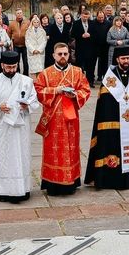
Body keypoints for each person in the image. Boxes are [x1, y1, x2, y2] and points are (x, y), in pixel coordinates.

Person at [84, 50, 129, 190]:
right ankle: (111, 178)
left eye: (128, 58)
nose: (126, 61)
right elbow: (105, 106)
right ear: (117, 59)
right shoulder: (110, 79)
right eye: (123, 58)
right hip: (114, 126)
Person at [0, 51, 38, 203]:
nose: (11, 70)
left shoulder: (26, 81)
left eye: (14, 66)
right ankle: (2, 190)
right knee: (3, 157)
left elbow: (34, 100)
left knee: (21, 155)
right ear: (2, 65)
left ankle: (21, 189)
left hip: (20, 127)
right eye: (8, 67)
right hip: (3, 125)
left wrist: (27, 105)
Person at [33, 43, 92, 195]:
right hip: (52, 120)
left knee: (71, 149)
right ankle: (52, 183)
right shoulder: (45, 73)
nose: (63, 57)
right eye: (59, 54)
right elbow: (38, 91)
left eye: (65, 54)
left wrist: (75, 95)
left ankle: (71, 182)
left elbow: (85, 90)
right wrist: (56, 90)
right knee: (53, 151)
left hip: (70, 120)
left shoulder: (77, 72)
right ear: (53, 55)